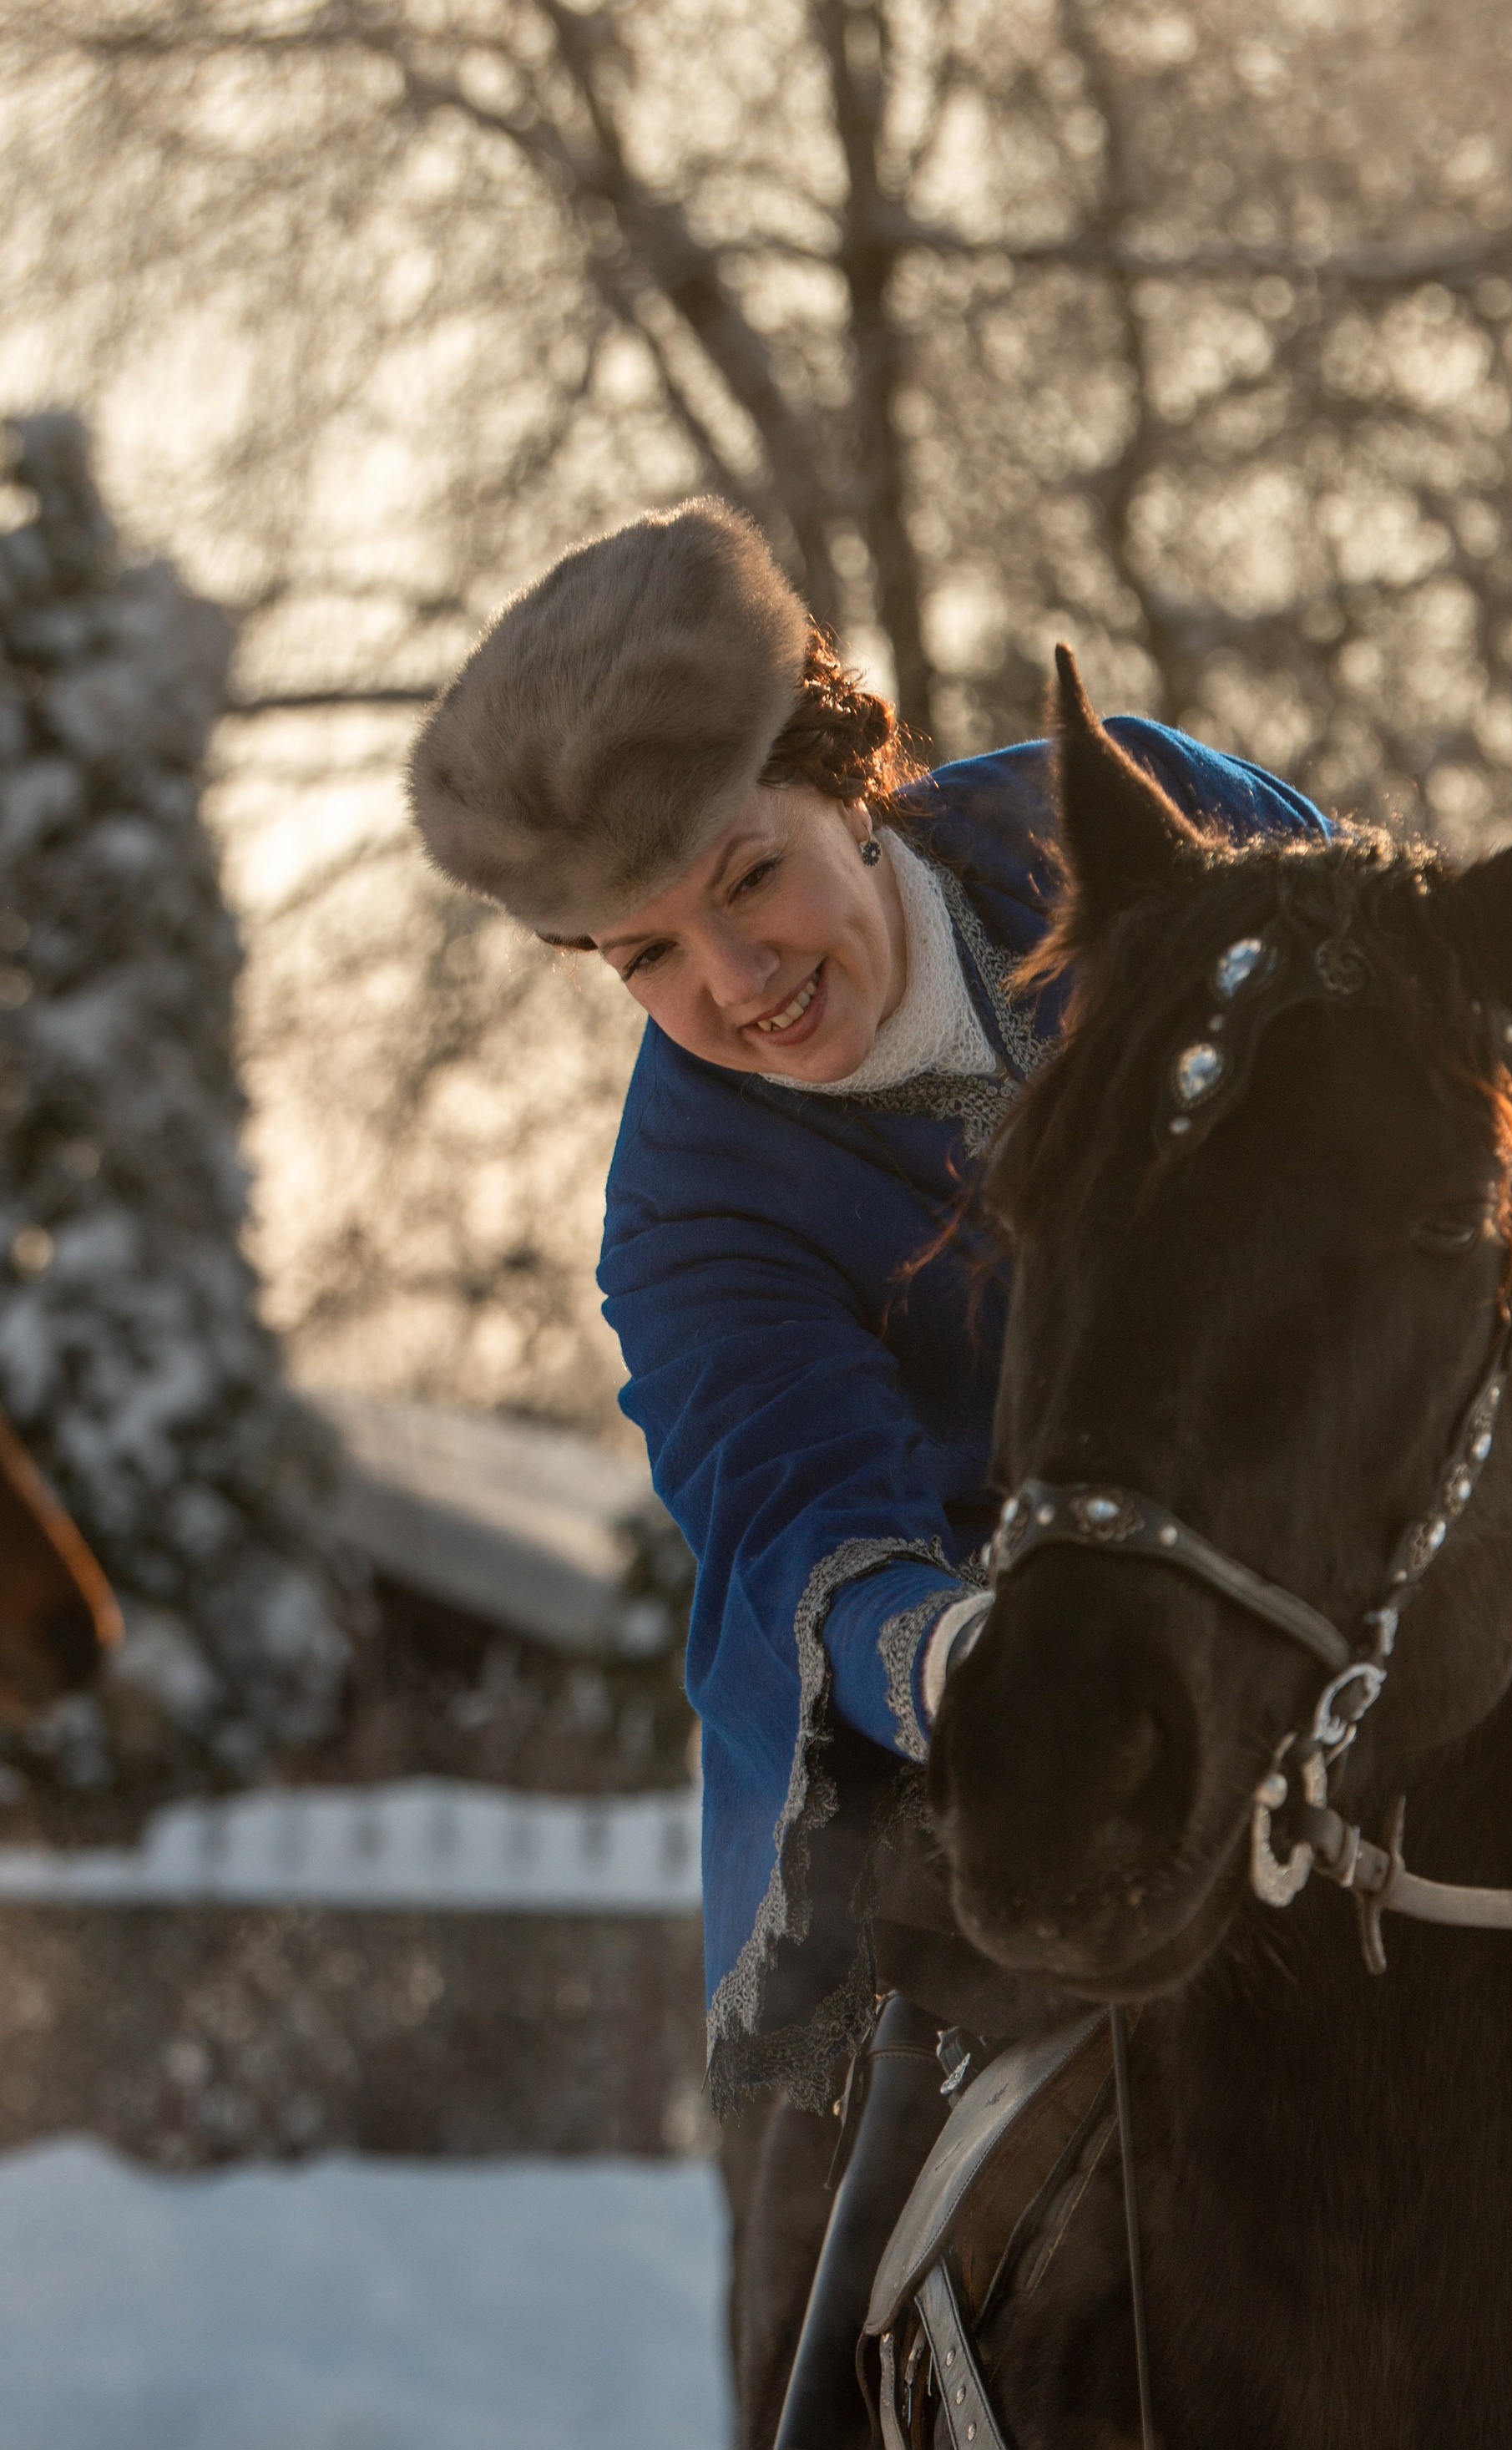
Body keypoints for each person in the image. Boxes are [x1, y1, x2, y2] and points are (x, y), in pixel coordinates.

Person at [407, 494, 1328, 2132]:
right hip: (963, 1738)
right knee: (864, 2251)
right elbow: (797, 1533)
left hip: (1330, 1558)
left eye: (748, 876)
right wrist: (982, 1663)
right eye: (645, 957)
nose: (735, 980)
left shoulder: (1138, 814)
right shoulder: (687, 1208)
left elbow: (1412, 1063)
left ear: (849, 772)